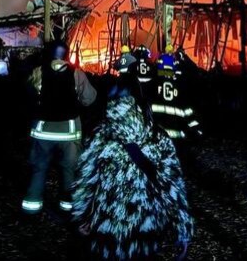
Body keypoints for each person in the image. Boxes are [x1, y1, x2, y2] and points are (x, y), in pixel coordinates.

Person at [73, 52, 193, 260]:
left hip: (106, 227)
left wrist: (82, 216)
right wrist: (183, 228)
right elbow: (173, 187)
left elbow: (85, 181)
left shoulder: (100, 135)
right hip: (146, 229)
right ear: (139, 100)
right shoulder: (157, 137)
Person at [22, 40, 97, 214]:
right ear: (66, 54)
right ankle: (67, 207)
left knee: (39, 168)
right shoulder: (77, 74)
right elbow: (89, 99)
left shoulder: (38, 72)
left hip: (43, 131)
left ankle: (31, 207)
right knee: (69, 171)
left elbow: (29, 96)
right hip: (69, 133)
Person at [151, 44, 201, 141]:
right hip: (177, 135)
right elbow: (187, 109)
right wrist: (196, 130)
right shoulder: (178, 82)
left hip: (159, 133)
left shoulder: (155, 81)